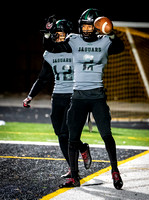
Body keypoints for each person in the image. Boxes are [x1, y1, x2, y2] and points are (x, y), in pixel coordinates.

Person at [43, 8, 124, 189]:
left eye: (90, 26)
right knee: (72, 138)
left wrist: (111, 34)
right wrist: (49, 33)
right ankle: (74, 177)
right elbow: (51, 46)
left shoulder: (104, 41)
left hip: (97, 96)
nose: (86, 30)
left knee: (107, 135)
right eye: (84, 26)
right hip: (78, 96)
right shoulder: (74, 40)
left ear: (96, 26)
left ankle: (115, 171)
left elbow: (120, 47)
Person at [23, 16, 92, 178]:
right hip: (58, 97)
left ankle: (74, 170)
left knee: (65, 133)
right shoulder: (49, 54)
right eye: (56, 34)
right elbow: (43, 78)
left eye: (61, 33)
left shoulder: (78, 50)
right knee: (60, 135)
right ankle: (79, 153)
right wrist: (30, 96)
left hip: (75, 97)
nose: (58, 36)